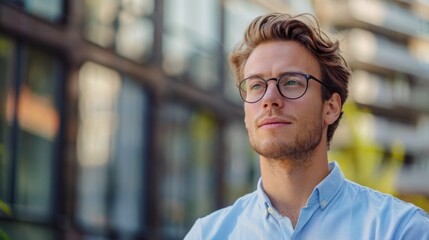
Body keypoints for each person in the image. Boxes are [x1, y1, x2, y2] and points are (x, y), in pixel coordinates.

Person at [184, 12, 429, 239]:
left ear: (330, 108)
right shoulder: (208, 234)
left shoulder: (398, 229)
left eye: (291, 82)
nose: (269, 99)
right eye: (256, 85)